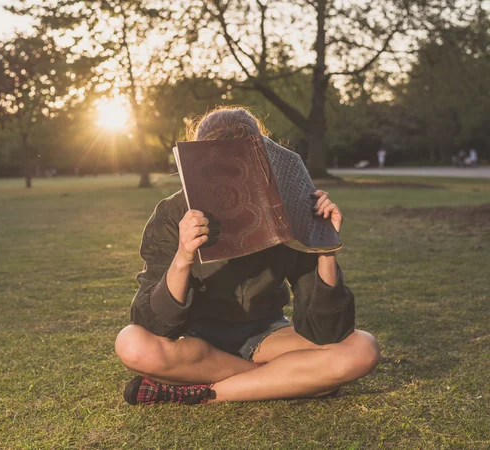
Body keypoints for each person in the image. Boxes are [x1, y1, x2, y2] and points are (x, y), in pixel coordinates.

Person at [115, 106, 380, 405]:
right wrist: (183, 256)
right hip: (196, 340)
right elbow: (150, 323)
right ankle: (284, 380)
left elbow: (329, 330)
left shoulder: (286, 208)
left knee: (363, 348)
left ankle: (202, 393)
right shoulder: (172, 213)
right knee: (131, 343)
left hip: (266, 336)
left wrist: (325, 244)